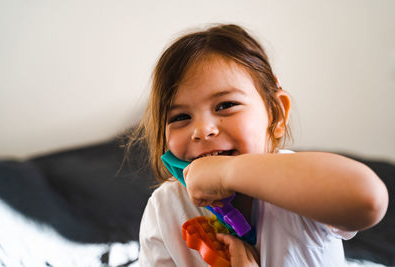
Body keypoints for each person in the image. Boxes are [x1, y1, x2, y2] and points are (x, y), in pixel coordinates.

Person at [133, 24, 388, 266]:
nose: (202, 130)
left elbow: (369, 199)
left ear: (276, 114)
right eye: (180, 117)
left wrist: (227, 173)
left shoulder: (302, 179)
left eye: (225, 105)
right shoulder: (165, 208)